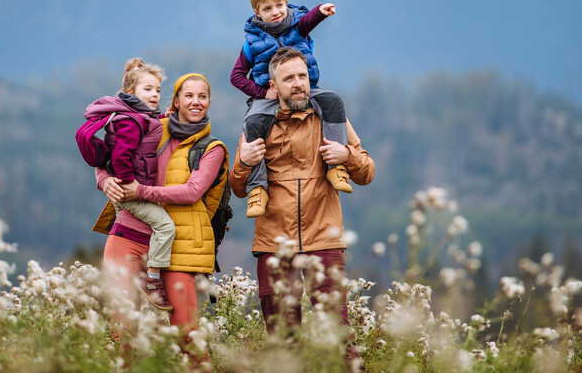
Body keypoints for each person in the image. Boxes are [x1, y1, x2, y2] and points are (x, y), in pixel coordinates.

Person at [228, 47, 375, 366]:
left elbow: (367, 172)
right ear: (273, 85)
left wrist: (346, 157)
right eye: (289, 78)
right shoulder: (256, 123)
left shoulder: (331, 118)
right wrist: (243, 161)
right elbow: (238, 188)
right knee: (283, 338)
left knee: (338, 333)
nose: (298, 84)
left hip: (323, 240)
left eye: (302, 76)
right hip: (273, 244)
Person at [92, 73, 229, 345]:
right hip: (128, 235)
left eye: (202, 97)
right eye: (188, 96)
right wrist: (104, 180)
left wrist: (140, 191)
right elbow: (106, 155)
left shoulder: (212, 149)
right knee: (122, 330)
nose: (196, 102)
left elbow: (192, 192)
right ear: (175, 101)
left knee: (187, 333)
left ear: (210, 102)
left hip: (176, 248)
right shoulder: (150, 125)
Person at [230, 0, 352, 220]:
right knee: (252, 123)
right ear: (257, 13)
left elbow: (309, 20)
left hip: (306, 90)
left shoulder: (298, 24)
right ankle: (257, 189)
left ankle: (336, 166)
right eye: (268, 8)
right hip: (270, 97)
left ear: (287, 4)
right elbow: (237, 76)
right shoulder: (251, 41)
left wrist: (321, 11)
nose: (276, 12)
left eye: (280, 5)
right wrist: (263, 93)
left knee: (333, 102)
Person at [83, 57, 174, 311]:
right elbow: (116, 156)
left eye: (157, 90)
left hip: (132, 201)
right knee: (165, 226)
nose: (155, 95)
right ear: (130, 92)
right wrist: (115, 180)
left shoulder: (143, 118)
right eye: (148, 89)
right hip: (130, 202)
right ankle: (152, 279)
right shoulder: (132, 120)